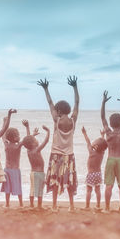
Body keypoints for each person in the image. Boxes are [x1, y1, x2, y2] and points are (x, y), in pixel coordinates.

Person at [38, 76, 79, 212]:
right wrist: (75, 87)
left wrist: (46, 89)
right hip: (69, 156)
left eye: (56, 110)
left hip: (56, 156)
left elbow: (50, 103)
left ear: (59, 111)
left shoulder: (56, 120)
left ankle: (55, 206)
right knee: (70, 181)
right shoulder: (73, 121)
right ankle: (72, 206)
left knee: (55, 181)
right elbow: (77, 104)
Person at [101, 90, 120, 213]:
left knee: (109, 185)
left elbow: (102, 117)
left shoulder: (108, 132)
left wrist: (103, 102)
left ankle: (107, 208)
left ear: (111, 123)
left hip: (111, 159)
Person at [0, 119, 32, 208]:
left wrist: (4, 122)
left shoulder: (6, 145)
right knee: (18, 187)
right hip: (15, 170)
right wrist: (27, 127)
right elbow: (28, 139)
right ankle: (21, 203)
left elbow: (2, 134)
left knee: (7, 188)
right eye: (18, 135)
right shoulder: (18, 146)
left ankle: (7, 204)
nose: (19, 136)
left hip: (6, 170)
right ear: (15, 138)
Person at [22, 125, 50, 210]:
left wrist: (30, 132)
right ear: (33, 144)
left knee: (33, 189)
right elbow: (46, 141)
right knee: (40, 190)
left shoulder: (29, 151)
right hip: (39, 174)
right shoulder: (37, 150)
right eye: (35, 140)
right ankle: (39, 206)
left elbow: (27, 141)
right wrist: (48, 131)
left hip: (33, 173)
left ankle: (31, 204)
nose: (37, 141)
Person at [81, 127, 107, 211]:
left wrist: (84, 133)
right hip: (98, 174)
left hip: (91, 174)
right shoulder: (102, 153)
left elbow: (88, 142)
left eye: (94, 141)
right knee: (97, 190)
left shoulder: (91, 152)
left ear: (95, 146)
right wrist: (103, 135)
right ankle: (98, 205)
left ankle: (87, 206)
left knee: (89, 190)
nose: (93, 142)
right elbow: (102, 144)